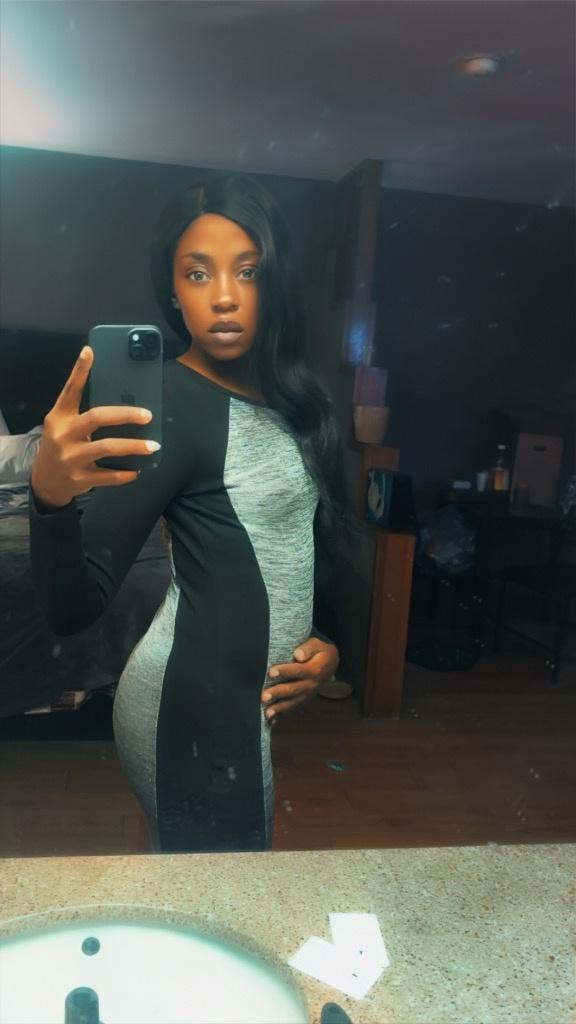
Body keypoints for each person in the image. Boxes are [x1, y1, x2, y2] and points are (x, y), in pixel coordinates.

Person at [28, 173, 358, 853]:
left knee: (194, 883)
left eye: (248, 270)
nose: (225, 295)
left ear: (275, 281)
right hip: (191, 710)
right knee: (222, 894)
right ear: (174, 291)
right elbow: (72, 607)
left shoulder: (298, 403)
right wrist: (49, 497)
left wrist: (322, 645)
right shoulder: (170, 405)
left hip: (238, 708)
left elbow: (283, 544)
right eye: (198, 273)